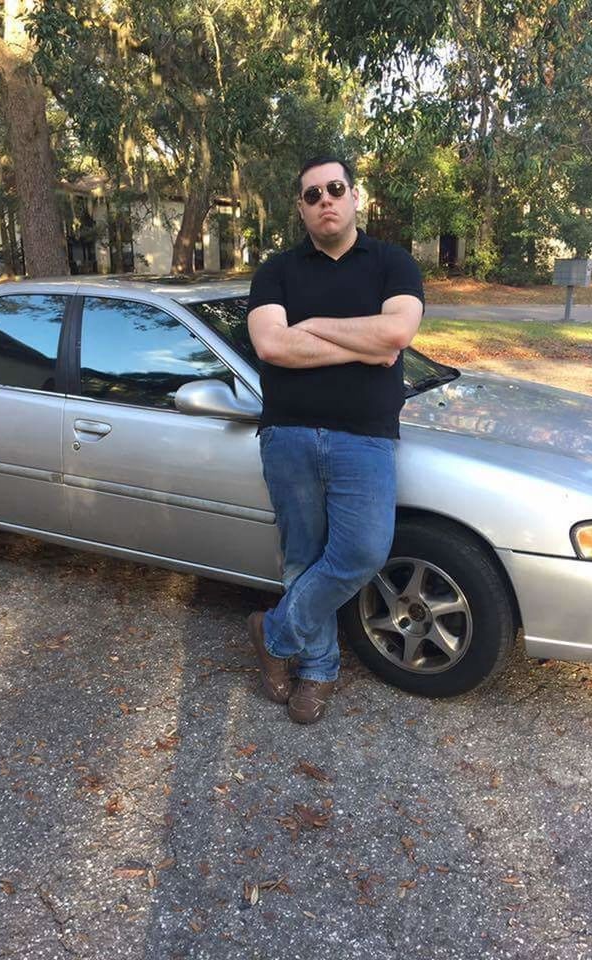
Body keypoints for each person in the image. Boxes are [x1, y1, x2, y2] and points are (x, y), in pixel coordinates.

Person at [246, 155, 424, 725]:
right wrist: (364, 342)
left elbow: (396, 334)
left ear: (354, 197)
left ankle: (273, 634)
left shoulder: (392, 263)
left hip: (364, 438)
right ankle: (318, 670)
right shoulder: (275, 272)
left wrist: (314, 324)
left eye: (335, 189)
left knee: (363, 552)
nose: (326, 199)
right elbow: (273, 347)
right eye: (312, 193)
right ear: (300, 208)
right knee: (303, 557)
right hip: (288, 436)